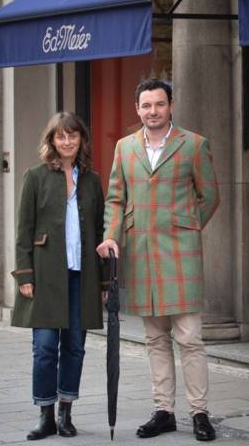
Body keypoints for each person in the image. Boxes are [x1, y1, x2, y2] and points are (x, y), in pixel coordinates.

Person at [97, 79, 220, 442]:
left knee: (190, 338)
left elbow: (209, 196)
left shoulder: (194, 145)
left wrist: (185, 226)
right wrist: (111, 236)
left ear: (171, 106)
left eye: (159, 104)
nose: (153, 111)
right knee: (154, 338)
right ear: (137, 109)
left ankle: (200, 413)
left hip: (181, 255)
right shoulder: (124, 147)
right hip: (141, 254)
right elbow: (116, 199)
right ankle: (164, 410)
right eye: (146, 105)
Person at [11, 112, 108, 441]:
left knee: (75, 348)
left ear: (81, 140)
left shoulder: (92, 180)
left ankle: (66, 412)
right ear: (51, 140)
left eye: (73, 136)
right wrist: (25, 274)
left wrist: (105, 282)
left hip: (83, 276)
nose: (67, 142)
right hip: (46, 275)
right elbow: (23, 231)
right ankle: (45, 415)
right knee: (45, 347)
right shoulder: (35, 177)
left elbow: (100, 231)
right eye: (60, 136)